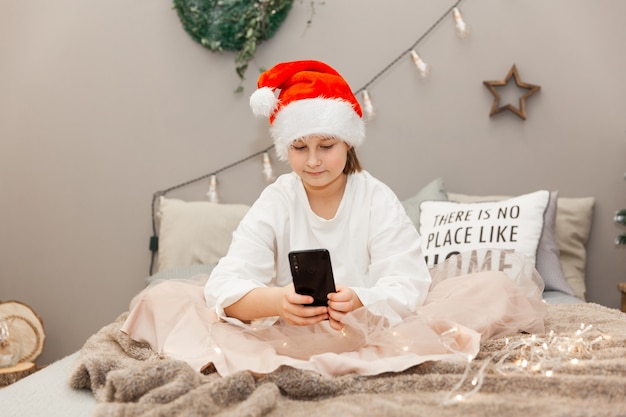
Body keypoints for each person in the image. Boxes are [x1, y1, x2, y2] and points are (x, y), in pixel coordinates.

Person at [121, 60, 546, 377]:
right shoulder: (277, 198)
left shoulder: (374, 197)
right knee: (163, 298)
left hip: (372, 327)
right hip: (290, 327)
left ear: (347, 143)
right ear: (285, 148)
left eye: (326, 146)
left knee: (495, 288)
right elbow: (227, 282)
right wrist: (278, 301)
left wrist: (359, 299)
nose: (313, 161)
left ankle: (345, 347)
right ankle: (299, 340)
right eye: (299, 148)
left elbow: (407, 282)